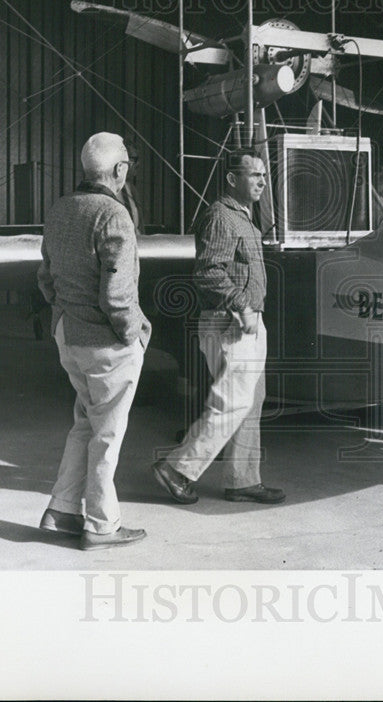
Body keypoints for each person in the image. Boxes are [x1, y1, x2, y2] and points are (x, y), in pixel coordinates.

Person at [37, 132, 152, 551]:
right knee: (108, 434)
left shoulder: (60, 209)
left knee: (85, 424)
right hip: (106, 343)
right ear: (120, 170)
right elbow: (118, 295)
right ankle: (102, 526)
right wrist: (135, 332)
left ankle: (62, 511)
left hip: (69, 335)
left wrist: (65, 314)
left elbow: (46, 279)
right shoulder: (113, 214)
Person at [153, 153, 284, 505]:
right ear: (230, 179)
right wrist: (241, 305)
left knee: (250, 403)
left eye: (263, 175)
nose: (261, 181)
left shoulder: (244, 218)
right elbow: (209, 271)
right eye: (253, 174)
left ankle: (242, 480)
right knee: (233, 401)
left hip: (249, 321)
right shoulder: (221, 217)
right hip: (230, 322)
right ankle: (177, 469)